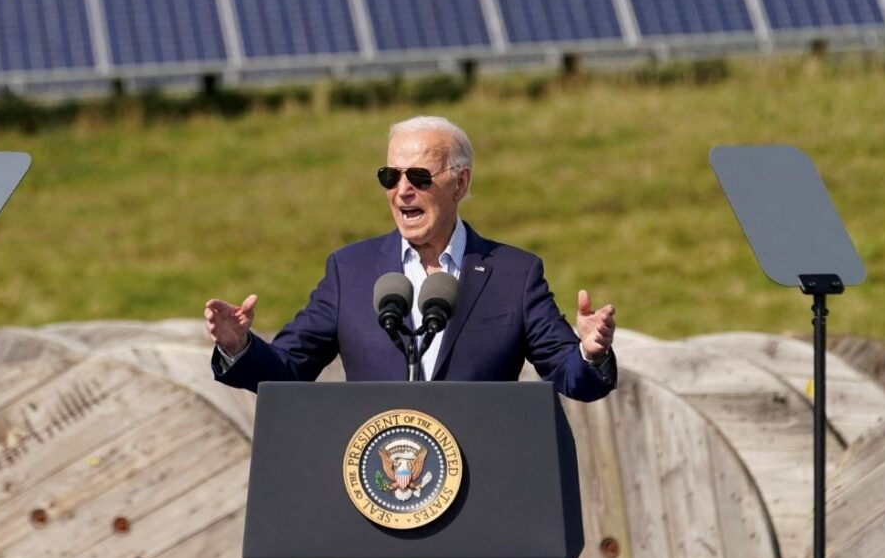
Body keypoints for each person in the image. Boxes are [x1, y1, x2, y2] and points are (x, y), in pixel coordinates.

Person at [204, 115, 617, 402]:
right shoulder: (350, 271)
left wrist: (591, 353)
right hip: (376, 486)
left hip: (479, 486)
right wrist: (239, 346)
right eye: (391, 176)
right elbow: (287, 370)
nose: (403, 190)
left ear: (460, 183)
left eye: (419, 177)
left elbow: (572, 378)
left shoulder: (514, 274)